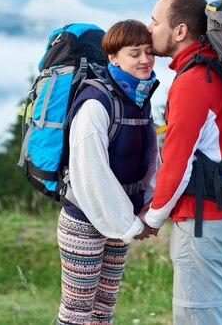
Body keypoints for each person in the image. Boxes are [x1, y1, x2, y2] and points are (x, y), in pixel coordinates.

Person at [139, 0, 222, 324]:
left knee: (201, 317)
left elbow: (177, 165)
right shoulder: (219, 65)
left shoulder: (193, 81)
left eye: (155, 21)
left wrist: (152, 219)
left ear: (180, 31)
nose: (149, 28)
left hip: (205, 223)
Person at [57, 19, 160, 324]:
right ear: (113, 57)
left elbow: (150, 158)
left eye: (149, 51)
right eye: (134, 53)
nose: (145, 59)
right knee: (77, 313)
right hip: (84, 220)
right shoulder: (96, 103)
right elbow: (92, 174)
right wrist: (133, 225)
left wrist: (146, 210)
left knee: (103, 311)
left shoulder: (139, 98)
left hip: (122, 216)